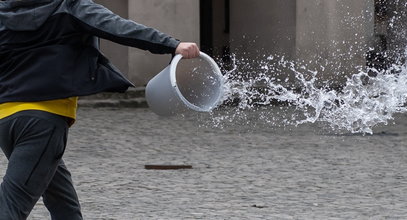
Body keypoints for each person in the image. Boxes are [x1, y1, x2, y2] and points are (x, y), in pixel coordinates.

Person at [0, 0, 200, 219]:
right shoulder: (69, 5)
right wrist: (171, 45)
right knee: (12, 205)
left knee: (62, 200)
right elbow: (118, 27)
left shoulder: (4, 9)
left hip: (6, 120)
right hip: (43, 122)